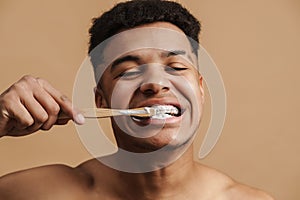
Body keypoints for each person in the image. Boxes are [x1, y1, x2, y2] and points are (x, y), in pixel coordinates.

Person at [0, 0, 274, 199]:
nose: (155, 83)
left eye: (176, 67)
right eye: (129, 71)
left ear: (200, 89)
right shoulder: (32, 194)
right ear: (101, 100)